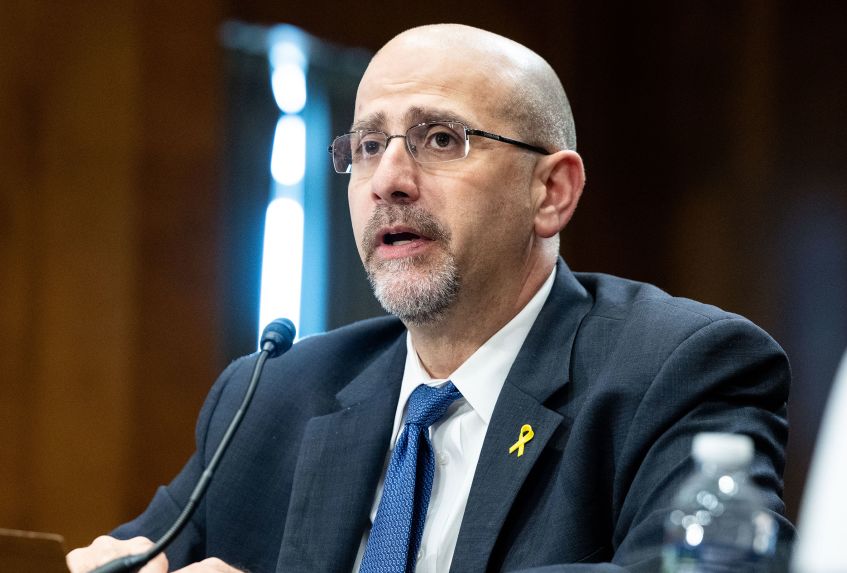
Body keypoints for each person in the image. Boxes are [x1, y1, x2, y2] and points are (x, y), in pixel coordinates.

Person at [67, 23, 791, 573]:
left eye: (440, 139)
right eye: (367, 146)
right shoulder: (270, 397)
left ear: (551, 191)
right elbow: (136, 555)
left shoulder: (680, 371)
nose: (388, 180)